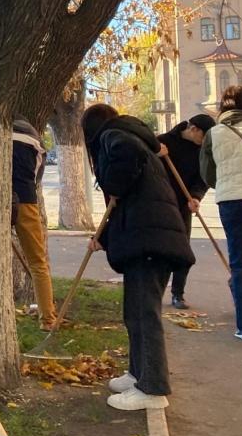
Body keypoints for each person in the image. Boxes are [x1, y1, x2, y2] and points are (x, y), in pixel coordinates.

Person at [81, 104, 195, 410]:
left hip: (150, 241)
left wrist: (113, 182)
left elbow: (123, 161)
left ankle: (153, 389)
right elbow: (127, 200)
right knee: (134, 311)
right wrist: (103, 238)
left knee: (145, 314)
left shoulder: (114, 135)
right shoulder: (137, 138)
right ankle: (138, 373)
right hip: (146, 237)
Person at [200, 85, 242, 341]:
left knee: (240, 264)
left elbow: (207, 174)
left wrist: (225, 182)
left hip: (231, 200)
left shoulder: (213, 134)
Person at [157, 113, 215, 309]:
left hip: (184, 204)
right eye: (204, 136)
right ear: (194, 129)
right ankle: (155, 293)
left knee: (182, 251)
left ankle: (178, 294)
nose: (204, 141)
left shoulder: (202, 151)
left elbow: (203, 178)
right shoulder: (163, 142)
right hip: (161, 204)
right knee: (162, 250)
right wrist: (156, 153)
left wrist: (196, 196)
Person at [11, 118, 57, 329]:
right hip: (26, 201)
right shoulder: (36, 145)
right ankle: (47, 318)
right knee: (38, 262)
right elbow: (37, 177)